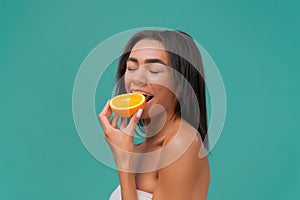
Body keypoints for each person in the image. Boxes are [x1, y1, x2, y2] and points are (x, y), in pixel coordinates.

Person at [98, 30, 210, 200]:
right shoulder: (140, 148)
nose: (138, 79)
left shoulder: (181, 145)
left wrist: (124, 164)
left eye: (155, 70)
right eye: (131, 68)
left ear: (181, 84)